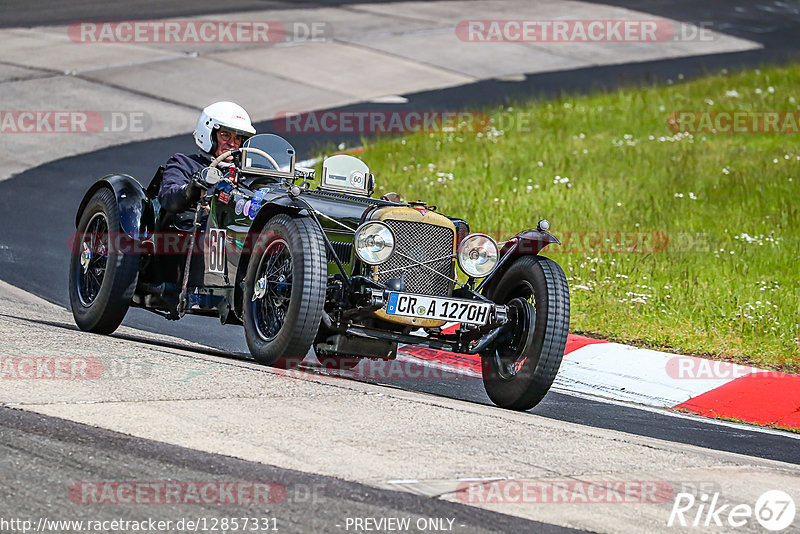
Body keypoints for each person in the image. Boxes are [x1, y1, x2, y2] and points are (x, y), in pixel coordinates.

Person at [158, 101, 256, 213]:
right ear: (210, 135)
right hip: (194, 228)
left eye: (237, 138)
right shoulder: (184, 163)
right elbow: (168, 198)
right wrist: (189, 190)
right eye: (225, 135)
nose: (232, 144)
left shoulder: (246, 173)